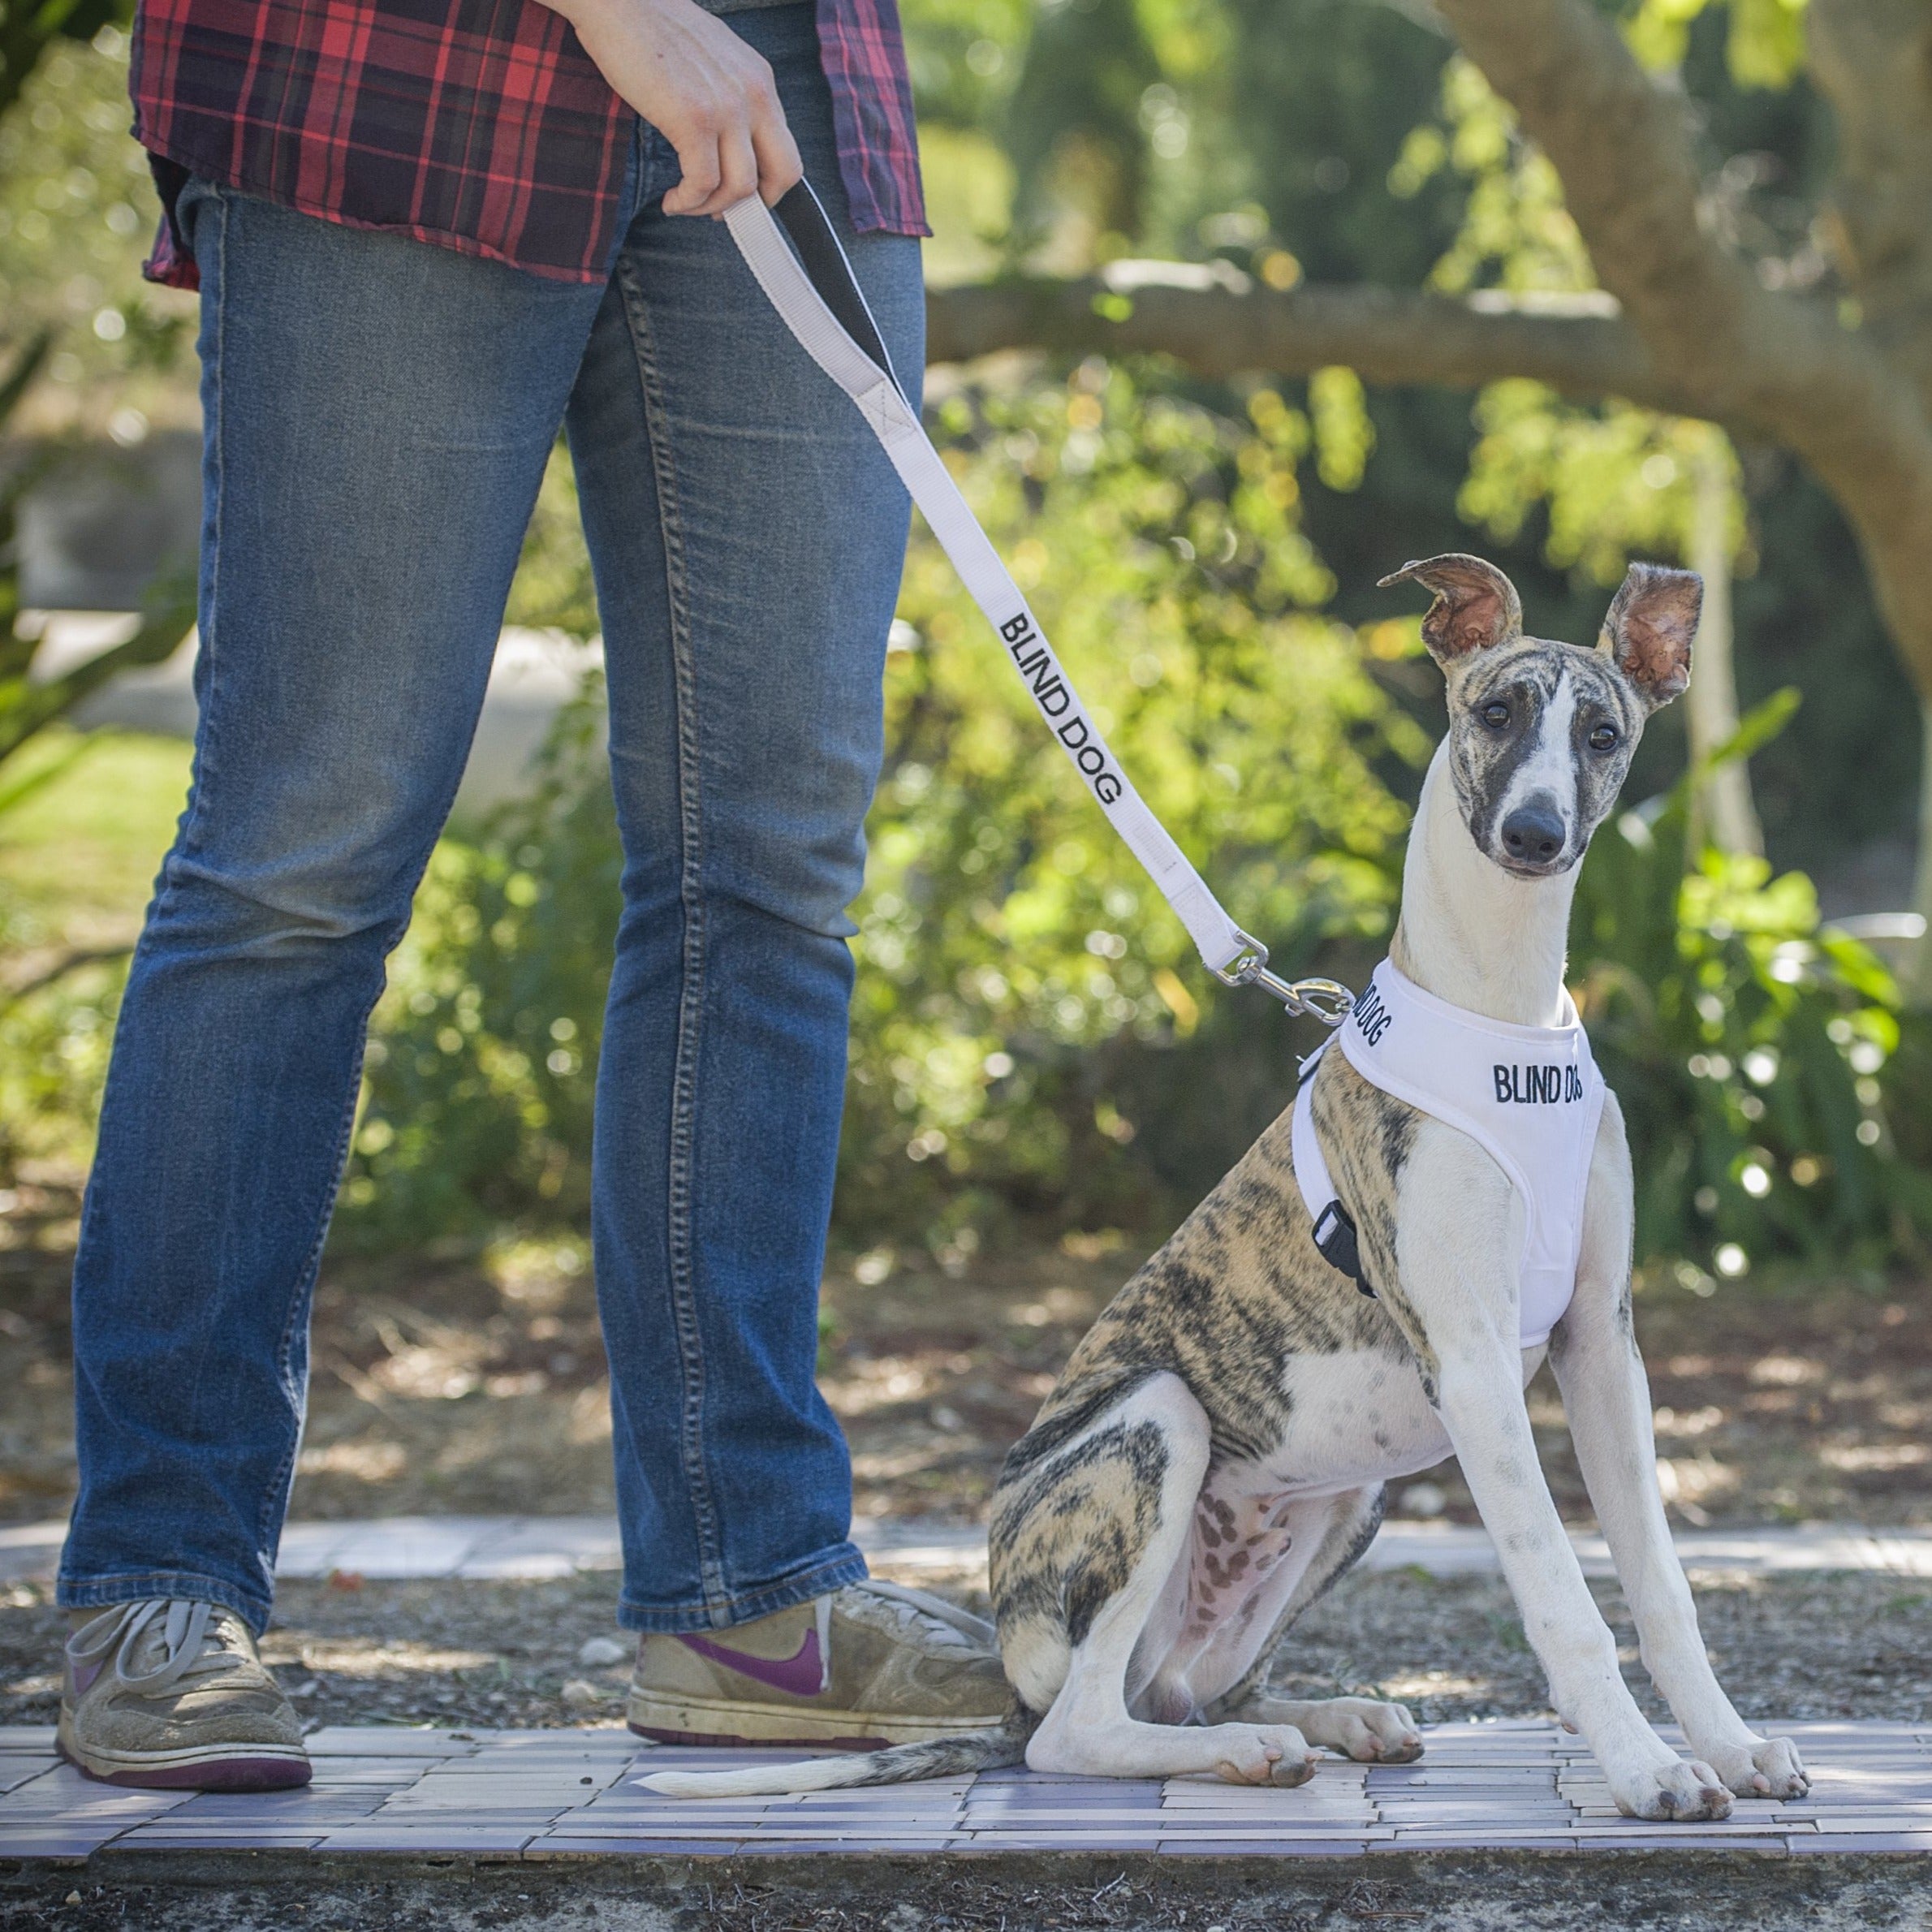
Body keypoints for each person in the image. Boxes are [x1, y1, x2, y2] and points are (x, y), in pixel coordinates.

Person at [55, 0, 1007, 1790]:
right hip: (401, 60)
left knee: (776, 868)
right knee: (304, 853)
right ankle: (158, 1581)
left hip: (795, 79)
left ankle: (747, 1589)